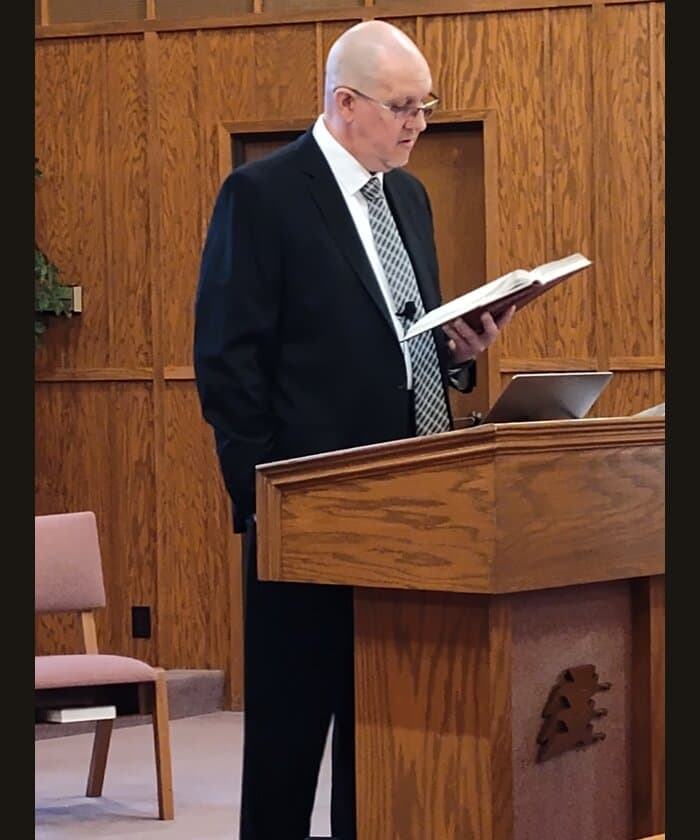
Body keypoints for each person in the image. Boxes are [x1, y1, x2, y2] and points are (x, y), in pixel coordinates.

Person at [193, 19, 515, 840]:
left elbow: (404, 343)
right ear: (345, 103)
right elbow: (228, 363)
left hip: (410, 512)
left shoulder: (408, 194)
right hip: (310, 514)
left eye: (426, 106)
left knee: (380, 735)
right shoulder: (262, 196)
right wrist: (267, 501)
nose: (418, 123)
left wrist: (459, 353)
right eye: (404, 106)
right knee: (289, 743)